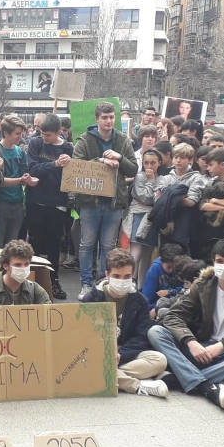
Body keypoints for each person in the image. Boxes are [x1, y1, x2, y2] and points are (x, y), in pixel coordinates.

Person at [148, 238, 224, 409]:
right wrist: (191, 342)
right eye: (220, 261)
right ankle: (204, 386)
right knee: (156, 332)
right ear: (213, 262)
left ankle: (185, 378)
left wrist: (222, 345)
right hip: (201, 349)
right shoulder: (203, 284)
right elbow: (173, 316)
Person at [81, 249, 169, 397]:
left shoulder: (139, 301)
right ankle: (137, 385)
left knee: (160, 360)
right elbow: (83, 334)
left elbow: (141, 337)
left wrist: (120, 354)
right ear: (107, 275)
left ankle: (109, 375)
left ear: (132, 275)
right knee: (85, 363)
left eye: (127, 276)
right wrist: (105, 353)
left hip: (124, 353)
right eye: (116, 276)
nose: (122, 281)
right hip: (97, 353)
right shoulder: (91, 299)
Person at [73, 102, 138, 299]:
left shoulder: (123, 140)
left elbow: (133, 169)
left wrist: (119, 159)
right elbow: (77, 164)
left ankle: (103, 283)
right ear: (97, 119)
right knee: (87, 244)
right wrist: (101, 162)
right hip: (89, 201)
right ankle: (86, 284)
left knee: (108, 246)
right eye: (104, 118)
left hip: (113, 201)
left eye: (111, 117)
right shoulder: (85, 139)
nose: (108, 121)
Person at [26, 114, 74, 300]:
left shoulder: (68, 148)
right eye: (42, 134)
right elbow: (32, 169)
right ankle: (32, 281)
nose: (44, 138)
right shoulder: (35, 144)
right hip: (36, 201)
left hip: (57, 204)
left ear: (59, 132)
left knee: (54, 244)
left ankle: (53, 280)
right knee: (35, 242)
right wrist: (54, 164)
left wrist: (66, 165)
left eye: (48, 135)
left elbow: (71, 176)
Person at [126, 149, 173, 283]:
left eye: (153, 163)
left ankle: (141, 287)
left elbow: (159, 200)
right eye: (146, 163)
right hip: (138, 215)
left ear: (159, 163)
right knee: (136, 252)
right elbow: (146, 198)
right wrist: (152, 182)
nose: (149, 166)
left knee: (147, 254)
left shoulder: (163, 179)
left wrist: (155, 196)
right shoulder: (140, 176)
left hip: (153, 219)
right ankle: (129, 281)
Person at [0, 115, 35, 247]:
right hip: (1, 203)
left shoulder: (20, 151)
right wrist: (20, 180)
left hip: (17, 203)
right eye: (17, 134)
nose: (20, 137)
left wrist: (28, 179)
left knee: (12, 245)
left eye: (21, 134)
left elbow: (24, 173)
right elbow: (0, 181)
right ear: (5, 133)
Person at [0, 239, 51, 306]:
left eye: (26, 264)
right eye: (18, 265)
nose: (23, 268)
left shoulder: (35, 289)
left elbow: (49, 313)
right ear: (5, 266)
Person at [140, 243, 185, 311]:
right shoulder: (154, 270)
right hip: (157, 307)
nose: (172, 270)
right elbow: (147, 298)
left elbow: (186, 289)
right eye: (168, 267)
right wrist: (155, 309)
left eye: (174, 267)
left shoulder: (182, 268)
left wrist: (170, 292)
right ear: (161, 261)